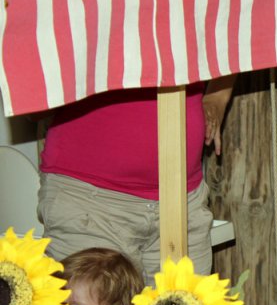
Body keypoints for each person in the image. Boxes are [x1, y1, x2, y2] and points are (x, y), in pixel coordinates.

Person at [37, 75, 235, 281]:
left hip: (184, 199)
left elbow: (229, 52)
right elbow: (32, 100)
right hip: (90, 202)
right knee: (89, 302)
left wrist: (217, 97)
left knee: (188, 301)